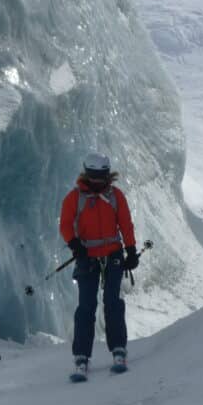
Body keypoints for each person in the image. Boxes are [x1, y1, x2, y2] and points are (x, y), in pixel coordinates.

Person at [60, 153, 139, 382]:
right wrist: (75, 245)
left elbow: (125, 223)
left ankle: (119, 350)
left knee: (113, 301)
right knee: (86, 306)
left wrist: (131, 250)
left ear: (107, 175)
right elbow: (65, 224)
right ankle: (81, 357)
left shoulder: (116, 197)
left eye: (101, 176)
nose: (97, 181)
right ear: (87, 174)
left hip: (112, 255)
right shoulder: (74, 198)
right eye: (93, 176)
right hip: (87, 257)